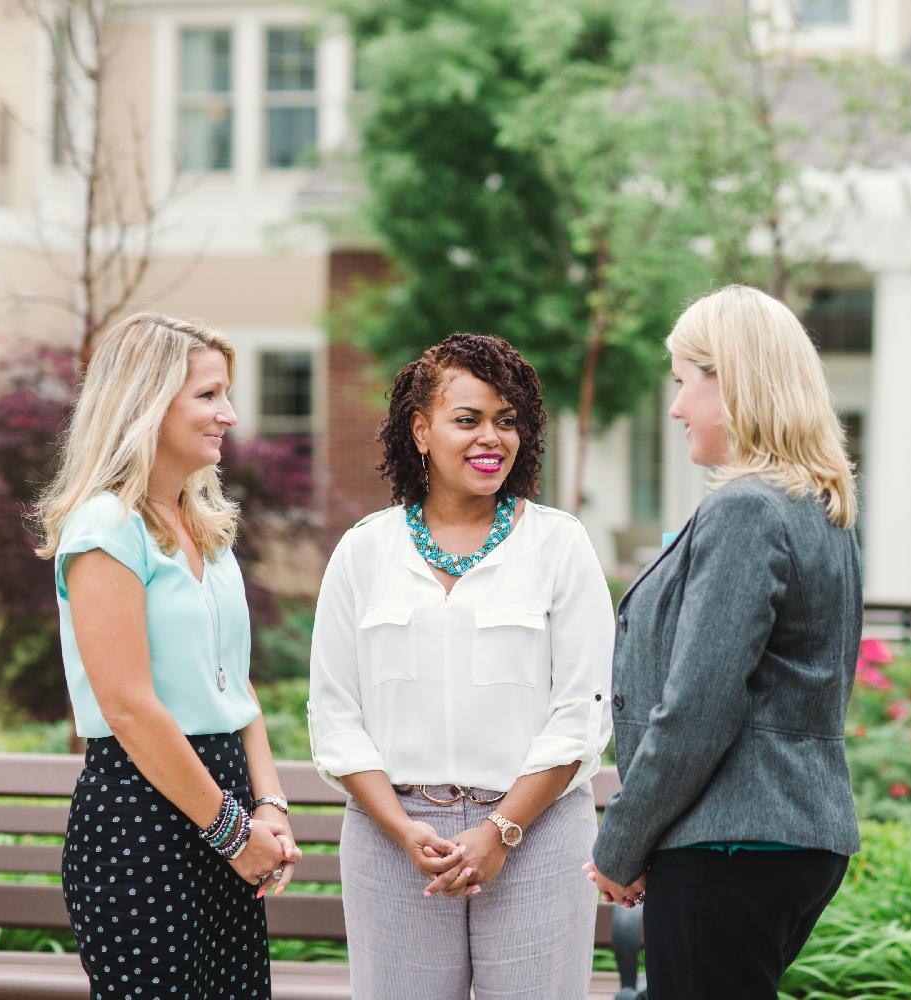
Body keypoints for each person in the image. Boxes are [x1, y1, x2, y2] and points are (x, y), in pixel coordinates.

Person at [307, 333, 614, 999]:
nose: (493, 439)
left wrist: (500, 830)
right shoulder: (364, 552)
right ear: (420, 431)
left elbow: (582, 713)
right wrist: (400, 826)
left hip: (538, 833)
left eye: (507, 421)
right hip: (395, 841)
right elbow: (335, 715)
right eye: (467, 419)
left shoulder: (559, 545)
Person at [586, 284, 864, 999]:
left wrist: (621, 841)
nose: (675, 407)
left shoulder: (745, 509)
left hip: (731, 842)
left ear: (733, 384)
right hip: (795, 836)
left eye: (683, 383)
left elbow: (698, 708)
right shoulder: (820, 508)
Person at [36, 312, 301, 999]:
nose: (230, 414)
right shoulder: (104, 529)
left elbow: (235, 691)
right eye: (209, 395)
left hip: (225, 804)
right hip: (142, 817)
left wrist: (267, 806)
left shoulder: (207, 528)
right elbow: (127, 705)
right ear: (147, 403)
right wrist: (232, 830)